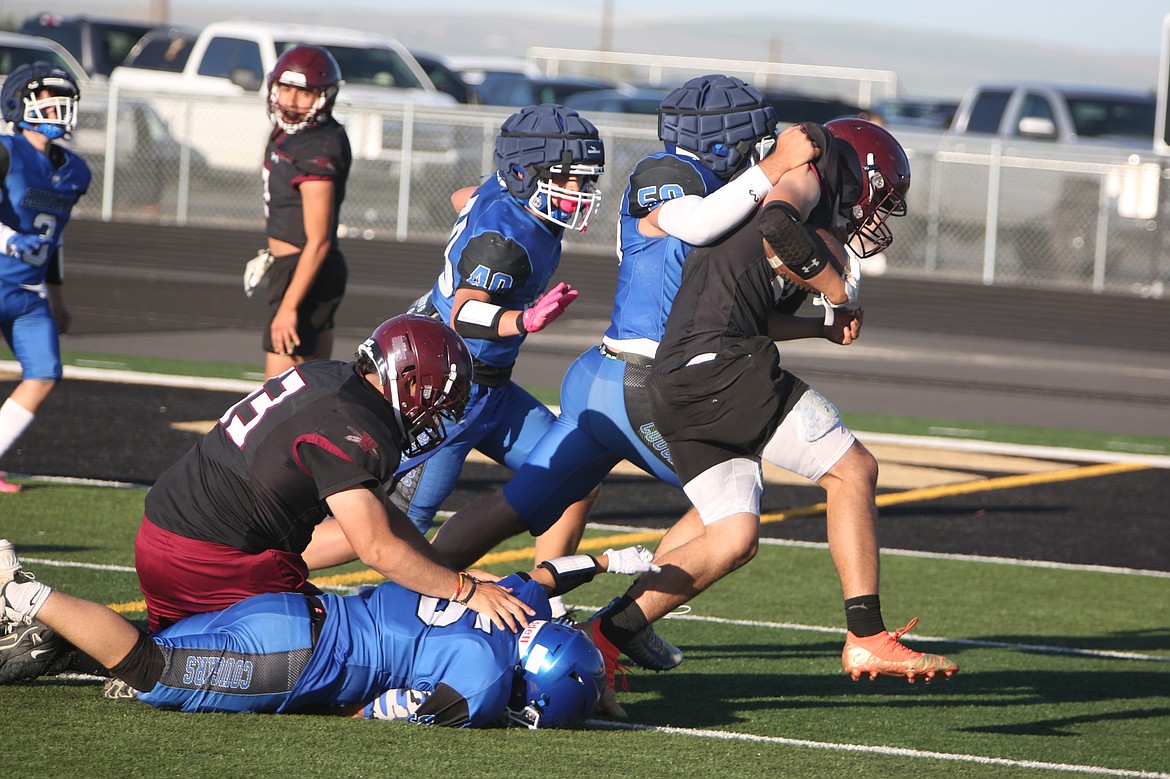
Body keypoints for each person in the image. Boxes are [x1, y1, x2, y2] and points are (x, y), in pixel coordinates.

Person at [428, 76, 824, 674]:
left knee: (521, 501)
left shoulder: (718, 190)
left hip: (604, 380)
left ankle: (428, 599)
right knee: (729, 510)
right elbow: (699, 224)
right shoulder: (675, 175)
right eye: (755, 136)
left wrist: (818, 316)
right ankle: (624, 622)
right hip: (639, 384)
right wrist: (775, 168)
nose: (763, 146)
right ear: (728, 138)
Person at [614, 118, 958, 700]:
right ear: (863, 178)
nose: (876, 219)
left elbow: (757, 310)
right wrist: (838, 291)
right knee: (853, 469)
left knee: (731, 537)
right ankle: (866, 633)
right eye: (882, 202)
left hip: (679, 380)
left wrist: (821, 325)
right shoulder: (808, 171)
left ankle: (606, 634)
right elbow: (777, 226)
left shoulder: (810, 228)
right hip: (720, 366)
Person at [132, 314, 531, 636]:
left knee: (177, 639)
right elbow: (378, 548)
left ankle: (150, 654)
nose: (441, 413)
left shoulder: (335, 376)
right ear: (410, 381)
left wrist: (451, 579)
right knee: (339, 650)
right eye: (441, 397)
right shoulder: (356, 426)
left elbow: (385, 522)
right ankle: (159, 668)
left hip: (165, 537)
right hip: (212, 561)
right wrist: (465, 591)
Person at [0, 537, 658, 726]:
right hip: (297, 660)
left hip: (298, 609)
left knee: (147, 659)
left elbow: (545, 573)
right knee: (150, 669)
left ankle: (47, 636)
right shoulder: (481, 684)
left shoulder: (513, 606)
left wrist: (604, 561)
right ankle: (17, 587)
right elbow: (382, 710)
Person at [368, 104, 604, 569]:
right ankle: (280, 581)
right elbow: (465, 314)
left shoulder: (502, 191)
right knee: (397, 525)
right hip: (449, 389)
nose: (577, 190)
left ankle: (544, 597)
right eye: (565, 177)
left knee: (576, 478)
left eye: (582, 178)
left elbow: (464, 197)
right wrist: (525, 320)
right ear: (524, 172)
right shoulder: (506, 240)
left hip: (489, 385)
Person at [0, 62, 90, 493]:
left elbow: (55, 239)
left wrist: (57, 299)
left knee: (45, 371)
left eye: (62, 97)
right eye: (44, 97)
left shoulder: (75, 171)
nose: (57, 106)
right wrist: (8, 240)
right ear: (18, 102)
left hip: (27, 290)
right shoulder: (4, 150)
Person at [252, 44, 351, 380]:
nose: (292, 101)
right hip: (301, 267)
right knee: (310, 388)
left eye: (304, 92)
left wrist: (289, 305)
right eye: (287, 89)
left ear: (323, 96)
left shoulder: (319, 144)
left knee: (278, 399)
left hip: (303, 272)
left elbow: (319, 240)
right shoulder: (290, 133)